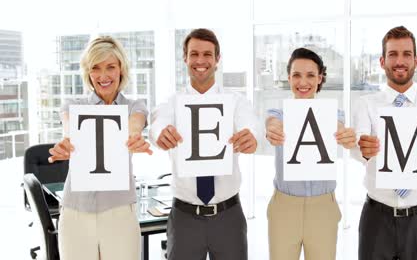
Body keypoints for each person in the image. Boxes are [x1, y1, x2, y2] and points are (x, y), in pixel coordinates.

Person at [150, 28, 259, 260]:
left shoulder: (236, 102)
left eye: (208, 54)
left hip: (228, 216)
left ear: (217, 59)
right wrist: (160, 133)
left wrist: (251, 136)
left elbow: (250, 123)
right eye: (194, 54)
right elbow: (157, 123)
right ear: (185, 58)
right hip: (184, 217)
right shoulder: (172, 103)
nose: (200, 61)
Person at [352, 26, 417, 260]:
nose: (400, 61)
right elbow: (355, 149)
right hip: (376, 218)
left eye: (406, 54)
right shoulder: (366, 104)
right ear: (382, 61)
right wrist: (362, 149)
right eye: (393, 54)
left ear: (416, 60)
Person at [48, 36, 152, 260]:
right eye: (96, 68)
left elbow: (135, 123)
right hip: (76, 211)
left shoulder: (134, 106)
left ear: (121, 70)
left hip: (119, 211)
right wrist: (67, 142)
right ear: (88, 72)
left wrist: (134, 137)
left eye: (110, 67)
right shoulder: (73, 106)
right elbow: (69, 128)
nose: (103, 76)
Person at [265, 47, 356, 260]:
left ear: (320, 78)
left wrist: (343, 134)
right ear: (288, 78)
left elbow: (338, 125)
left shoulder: (335, 113)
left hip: (323, 208)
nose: (303, 82)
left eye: (310, 75)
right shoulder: (277, 112)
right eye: (296, 75)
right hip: (284, 208)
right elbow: (272, 123)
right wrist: (274, 129)